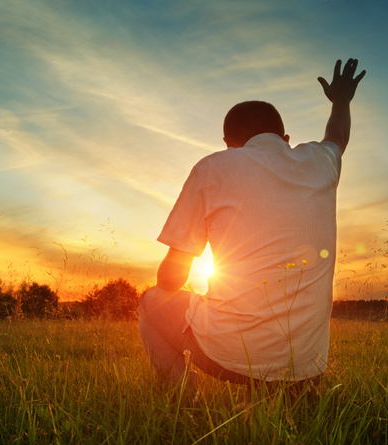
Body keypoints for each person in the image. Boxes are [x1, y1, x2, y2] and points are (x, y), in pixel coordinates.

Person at [138, 59, 365, 392]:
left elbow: (171, 279)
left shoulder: (211, 167)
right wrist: (341, 101)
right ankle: (293, 392)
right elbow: (338, 136)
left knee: (151, 299)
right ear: (285, 138)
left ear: (228, 143)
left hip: (227, 359)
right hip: (306, 366)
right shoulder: (320, 162)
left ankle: (183, 395)